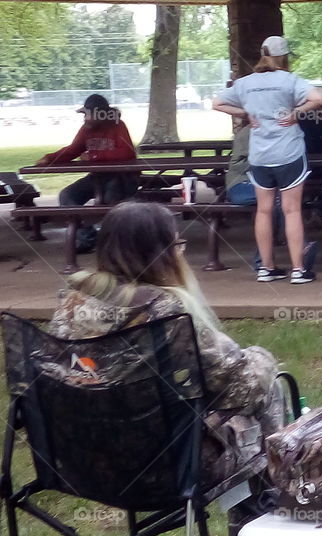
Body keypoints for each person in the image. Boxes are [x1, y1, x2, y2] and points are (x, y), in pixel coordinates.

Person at [47, 201, 285, 490]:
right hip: (165, 470)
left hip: (81, 462)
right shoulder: (166, 311)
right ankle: (274, 499)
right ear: (160, 254)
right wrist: (261, 358)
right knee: (269, 388)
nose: (180, 253)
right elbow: (243, 389)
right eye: (177, 245)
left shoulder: (71, 303)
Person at [213, 36, 322, 284]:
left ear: (263, 54)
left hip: (260, 154)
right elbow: (318, 99)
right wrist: (296, 113)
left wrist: (244, 112)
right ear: (283, 56)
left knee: (263, 211)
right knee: (291, 210)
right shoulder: (290, 80)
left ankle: (266, 268)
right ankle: (298, 270)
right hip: (288, 152)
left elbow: (217, 103)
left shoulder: (245, 83)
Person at [34, 93, 138, 253]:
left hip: (123, 177)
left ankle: (120, 243)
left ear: (99, 114)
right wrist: (50, 158)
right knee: (67, 196)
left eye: (86, 114)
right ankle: (88, 237)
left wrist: (95, 156)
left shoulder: (118, 126)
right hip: (97, 177)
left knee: (111, 200)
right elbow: (73, 150)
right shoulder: (86, 129)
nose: (84, 118)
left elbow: (127, 152)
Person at [225, 122, 317, 273]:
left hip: (265, 184)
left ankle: (266, 265)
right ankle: (276, 259)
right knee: (276, 201)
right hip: (241, 185)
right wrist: (269, 163)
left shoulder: (279, 131)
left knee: (277, 202)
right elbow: (237, 164)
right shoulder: (249, 132)